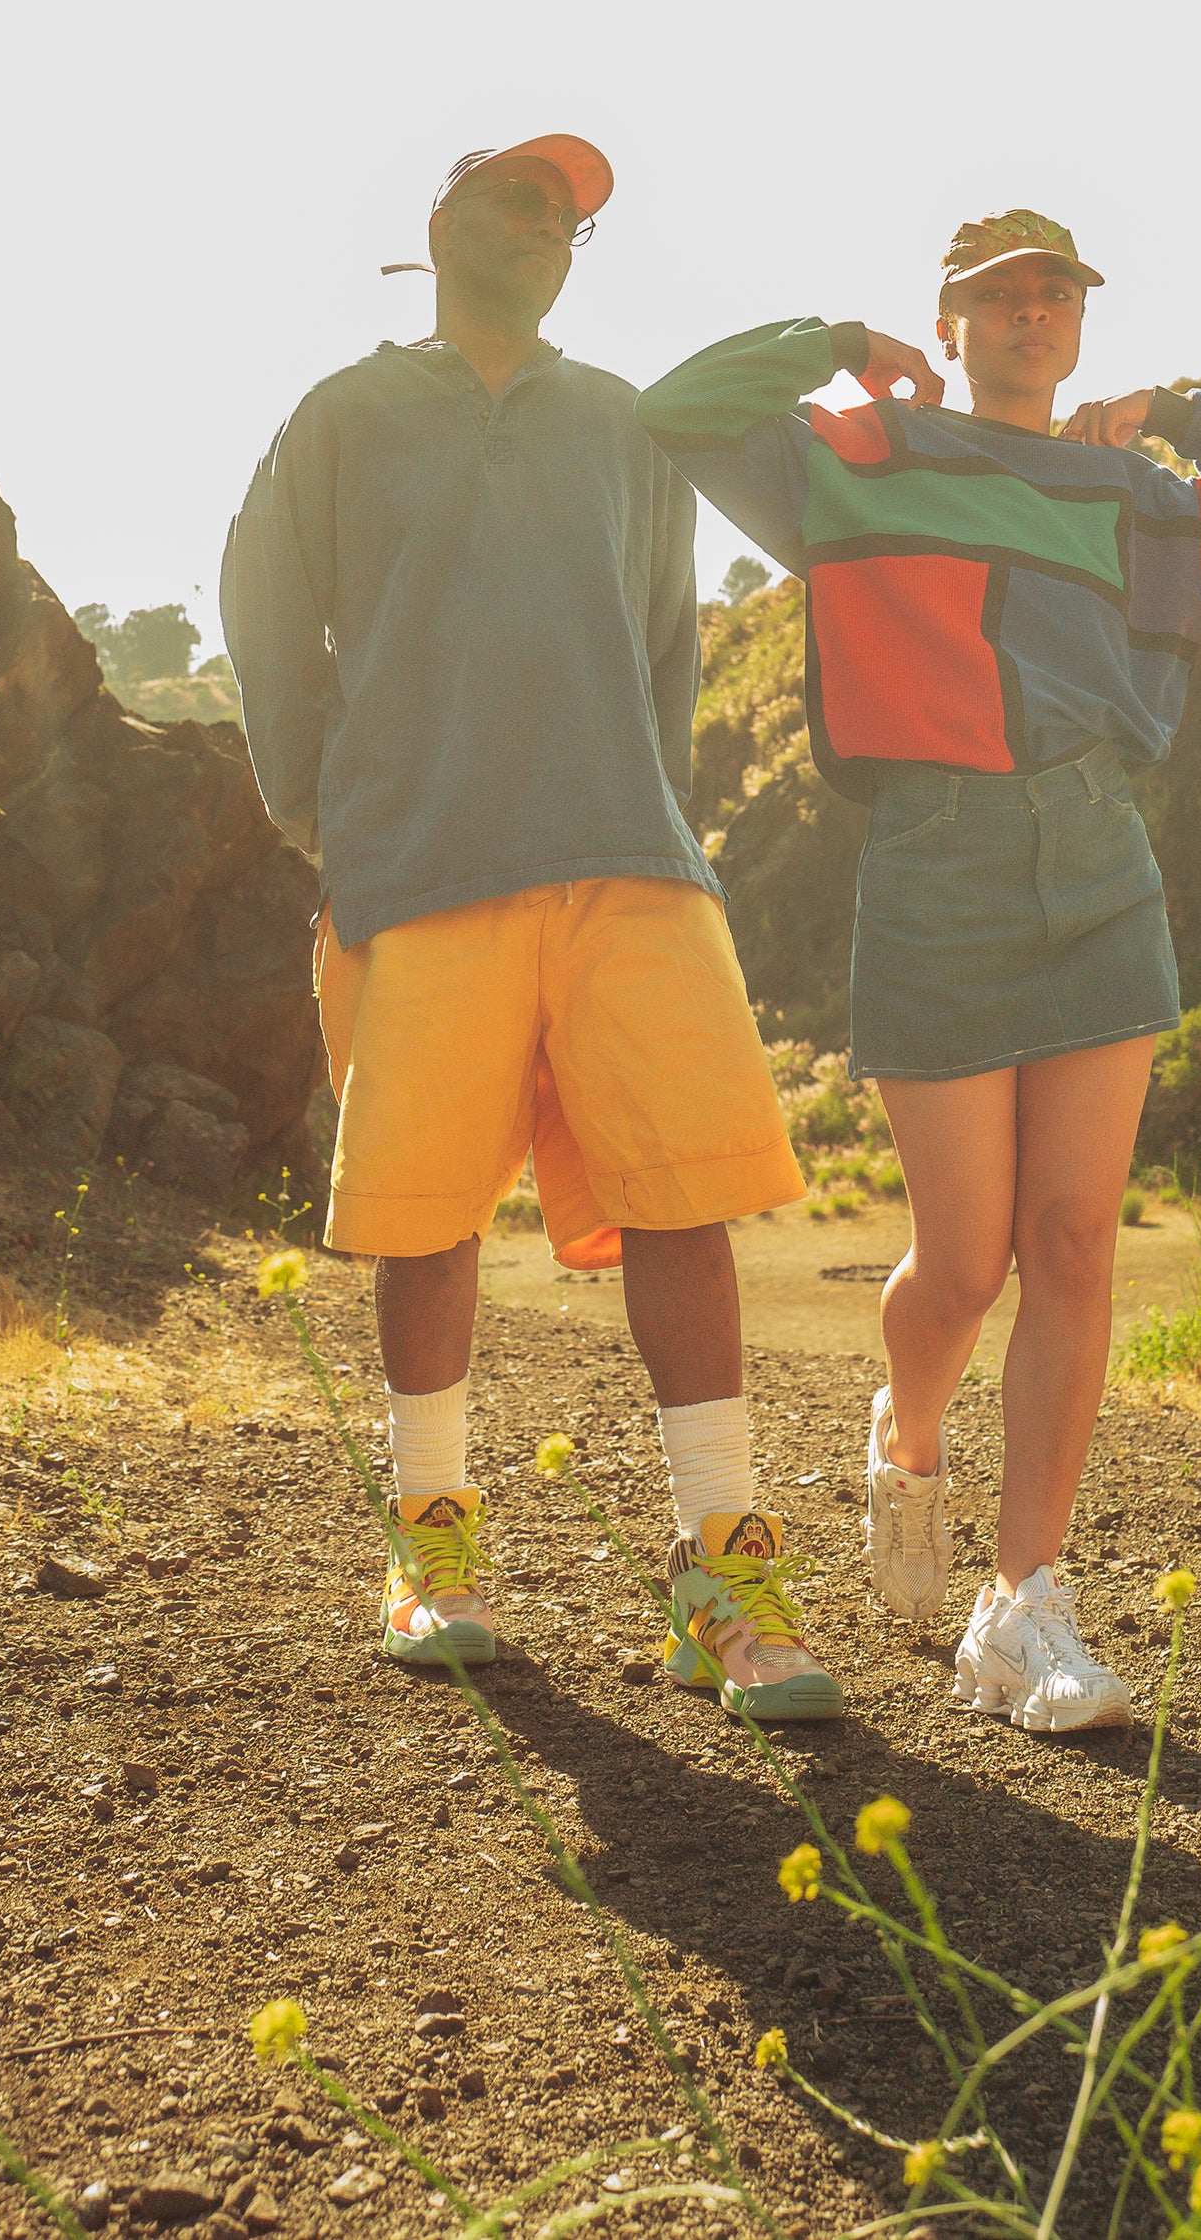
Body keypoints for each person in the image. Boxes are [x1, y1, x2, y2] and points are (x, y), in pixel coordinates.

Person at [636, 208, 1201, 1731]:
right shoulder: (859, 456)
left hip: (1099, 862)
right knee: (962, 1265)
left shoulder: (1144, 502)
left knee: (1074, 1243)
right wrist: (839, 346)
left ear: (1080, 324)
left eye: (1055, 295)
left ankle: (1020, 1609)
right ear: (950, 322)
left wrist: (1172, 412)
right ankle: (907, 1440)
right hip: (934, 863)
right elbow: (682, 409)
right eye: (998, 296)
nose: (1032, 314)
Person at [221, 136, 842, 1723]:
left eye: (570, 221)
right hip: (420, 867)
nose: (552, 230)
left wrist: (650, 798)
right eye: (523, 201)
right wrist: (324, 814)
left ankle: (723, 1581)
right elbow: (267, 611)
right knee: (425, 1216)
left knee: (683, 1205)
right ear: (440, 225)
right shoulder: (342, 416)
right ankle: (429, 1549)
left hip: (626, 858)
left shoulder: (622, 423)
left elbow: (668, 639)